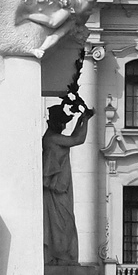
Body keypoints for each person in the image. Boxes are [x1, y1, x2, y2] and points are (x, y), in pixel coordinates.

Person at [41, 95, 90, 264]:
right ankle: (60, 257)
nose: (64, 126)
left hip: (59, 188)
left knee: (63, 224)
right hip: (56, 190)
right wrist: (86, 120)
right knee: (62, 225)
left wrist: (81, 120)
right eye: (63, 123)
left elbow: (73, 137)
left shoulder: (52, 137)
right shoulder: (53, 138)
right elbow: (78, 139)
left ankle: (61, 256)